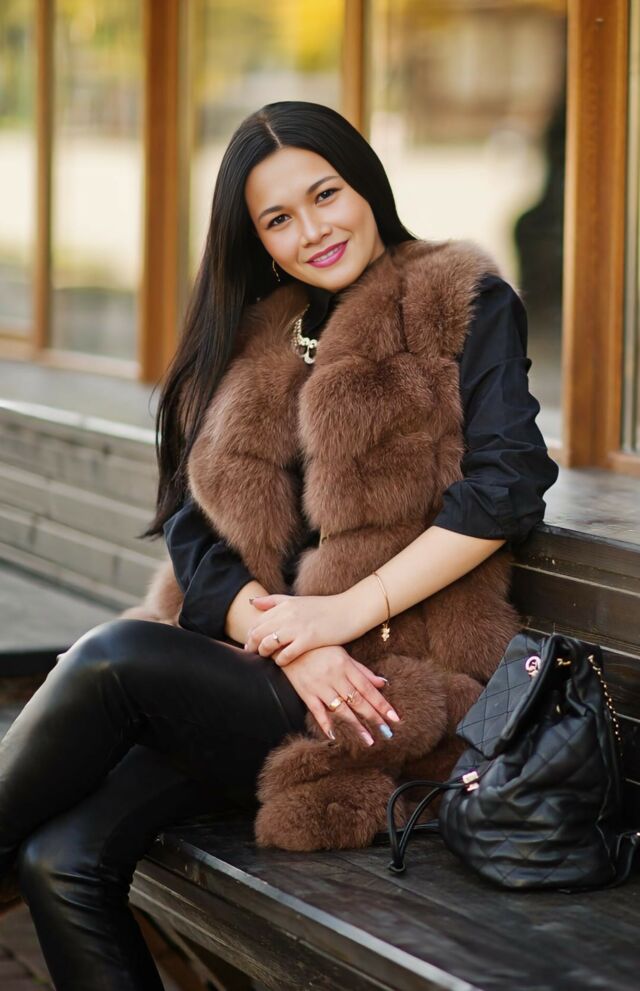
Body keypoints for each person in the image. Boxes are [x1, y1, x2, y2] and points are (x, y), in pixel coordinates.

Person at [0, 101, 558, 989]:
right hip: (260, 672)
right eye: (279, 219)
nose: (313, 230)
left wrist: (339, 615)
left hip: (392, 686)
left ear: (364, 182)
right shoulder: (254, 330)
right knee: (58, 858)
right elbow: (193, 524)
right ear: (257, 239)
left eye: (325, 194)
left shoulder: (459, 301)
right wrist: (290, 638)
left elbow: (508, 488)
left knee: (111, 657)